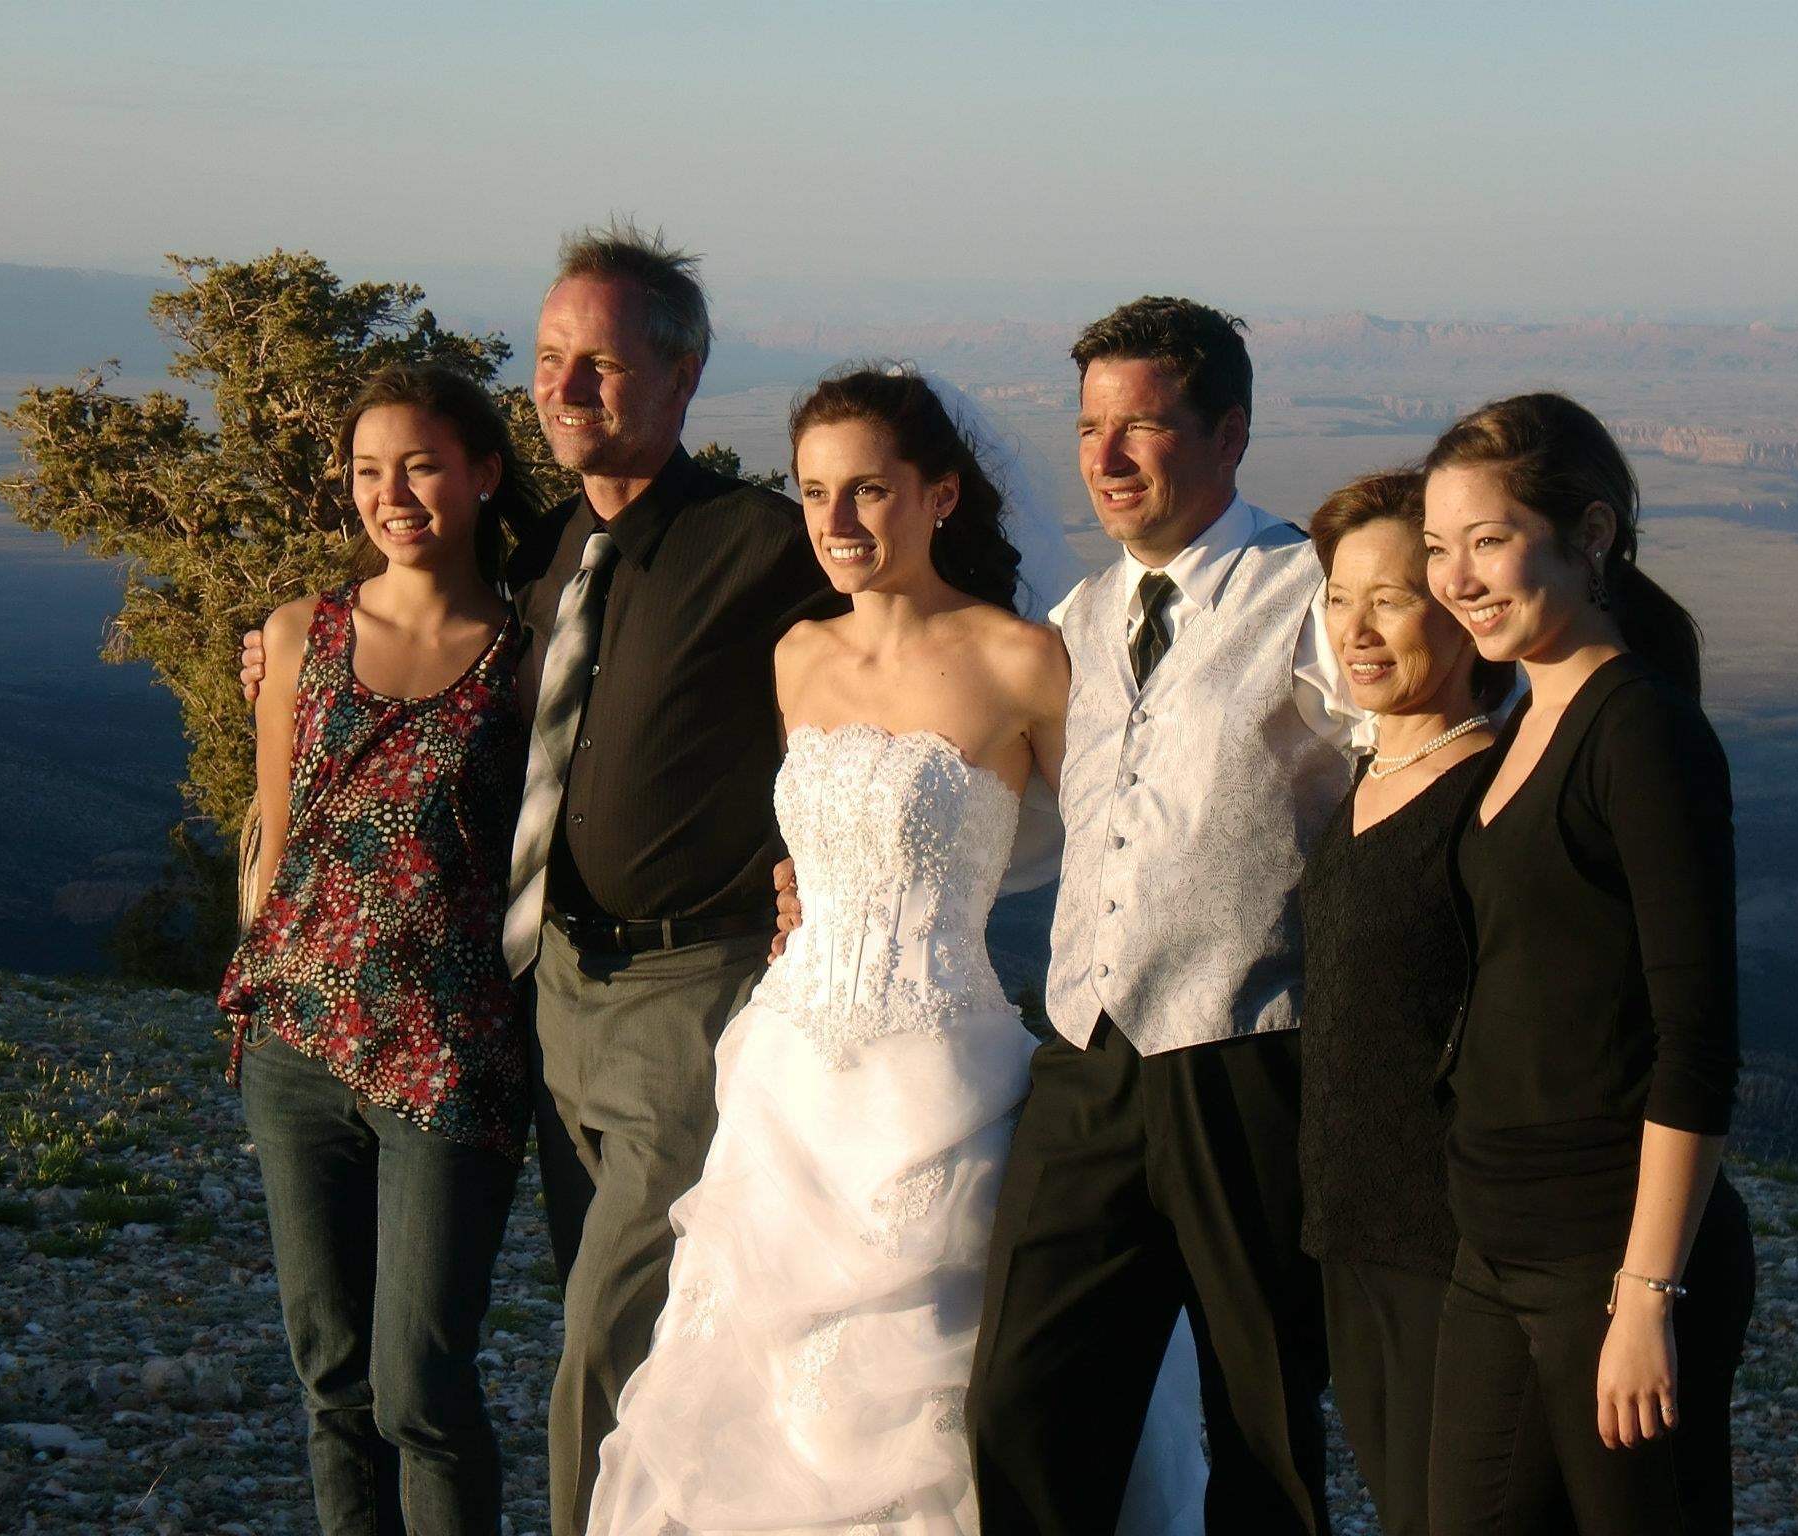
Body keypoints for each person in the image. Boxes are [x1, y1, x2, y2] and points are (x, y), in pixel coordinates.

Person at [241, 223, 840, 1535]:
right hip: (539, 995)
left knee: (606, 1341)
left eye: (605, 367)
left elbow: (913, 643)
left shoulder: (766, 545)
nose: (566, 389)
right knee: (563, 1315)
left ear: (684, 381)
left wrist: (832, 860)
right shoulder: (542, 568)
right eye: (551, 360)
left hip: (680, 987)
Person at [588, 367, 1206, 1536]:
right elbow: (821, 844)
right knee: (745, 1388)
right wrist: (793, 890)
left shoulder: (1024, 661)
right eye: (813, 492)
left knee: (940, 1387)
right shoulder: (794, 658)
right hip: (783, 1072)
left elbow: (1125, 847)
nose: (834, 522)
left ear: (937, 497)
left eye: (867, 490)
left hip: (938, 1078)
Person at [965, 297, 1363, 1535]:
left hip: (1247, 1058)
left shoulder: (1309, 593)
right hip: (1085, 1061)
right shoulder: (1079, 620)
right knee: (1021, 1404)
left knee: (1262, 1421)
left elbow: (1410, 771)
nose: (1106, 458)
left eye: (1140, 426)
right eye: (1089, 429)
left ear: (1228, 432)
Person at [1421, 393, 1754, 1534]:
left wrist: (1645, 1296)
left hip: (1608, 1254)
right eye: (1435, 548)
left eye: (1487, 540)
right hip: (1496, 1241)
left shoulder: (1641, 734)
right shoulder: (1521, 725)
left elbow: (1695, 1038)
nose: (1455, 578)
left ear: (1592, 534)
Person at [219, 364, 541, 1534]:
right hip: (297, 1049)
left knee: (425, 1389)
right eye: (367, 470)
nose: (391, 493)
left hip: (451, 1061)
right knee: (333, 1380)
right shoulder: (304, 634)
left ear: (483, 474)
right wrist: (262, 984)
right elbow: (273, 828)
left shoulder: (529, 653)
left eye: (420, 465)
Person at [1297, 470, 1509, 1536]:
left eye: (1388, 598)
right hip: (1352, 1223)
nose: (1357, 630)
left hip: (1453, 1241)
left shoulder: (1492, 794)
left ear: (1457, 612)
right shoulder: (1356, 779)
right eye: (1338, 598)